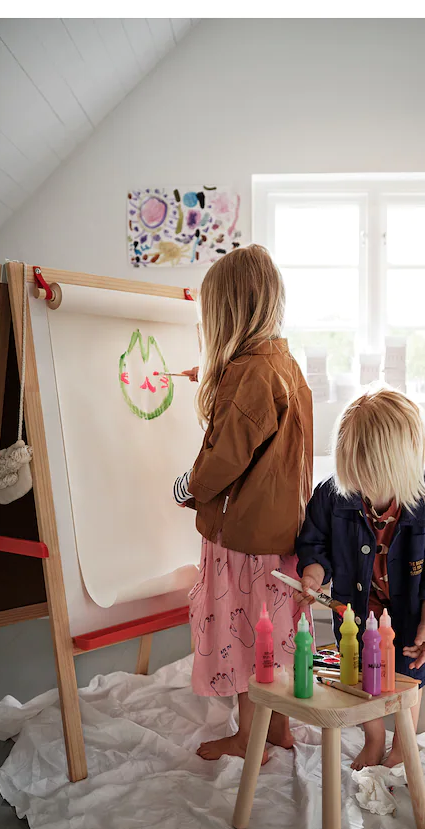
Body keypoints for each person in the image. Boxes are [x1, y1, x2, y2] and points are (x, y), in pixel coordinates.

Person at [174, 245, 314, 763]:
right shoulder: (283, 365)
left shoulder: (249, 374)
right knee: (272, 638)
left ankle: (247, 739)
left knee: (245, 638)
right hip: (280, 537)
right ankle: (278, 729)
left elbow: (225, 459)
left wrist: (189, 487)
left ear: (228, 313)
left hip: (243, 542)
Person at [294, 385, 425, 769]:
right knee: (357, 673)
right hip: (356, 610)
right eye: (356, 477)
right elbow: (314, 543)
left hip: (411, 611)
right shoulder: (331, 496)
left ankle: (402, 744)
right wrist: (313, 574)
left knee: (408, 676)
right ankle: (373, 740)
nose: (364, 487)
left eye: (374, 478)